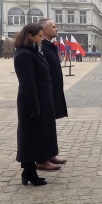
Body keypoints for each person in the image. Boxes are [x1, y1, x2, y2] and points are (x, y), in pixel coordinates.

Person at [14, 23, 60, 186]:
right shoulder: (24, 54)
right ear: (30, 36)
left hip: (42, 97)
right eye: (39, 36)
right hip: (32, 100)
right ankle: (29, 171)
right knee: (29, 137)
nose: (42, 39)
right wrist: (34, 107)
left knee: (38, 134)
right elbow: (27, 82)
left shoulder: (33, 51)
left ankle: (30, 171)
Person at [38, 18, 68, 169]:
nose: (57, 29)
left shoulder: (50, 45)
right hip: (45, 92)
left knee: (50, 124)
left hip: (53, 91)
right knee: (44, 125)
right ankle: (43, 159)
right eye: (53, 26)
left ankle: (50, 154)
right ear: (44, 30)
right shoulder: (41, 46)